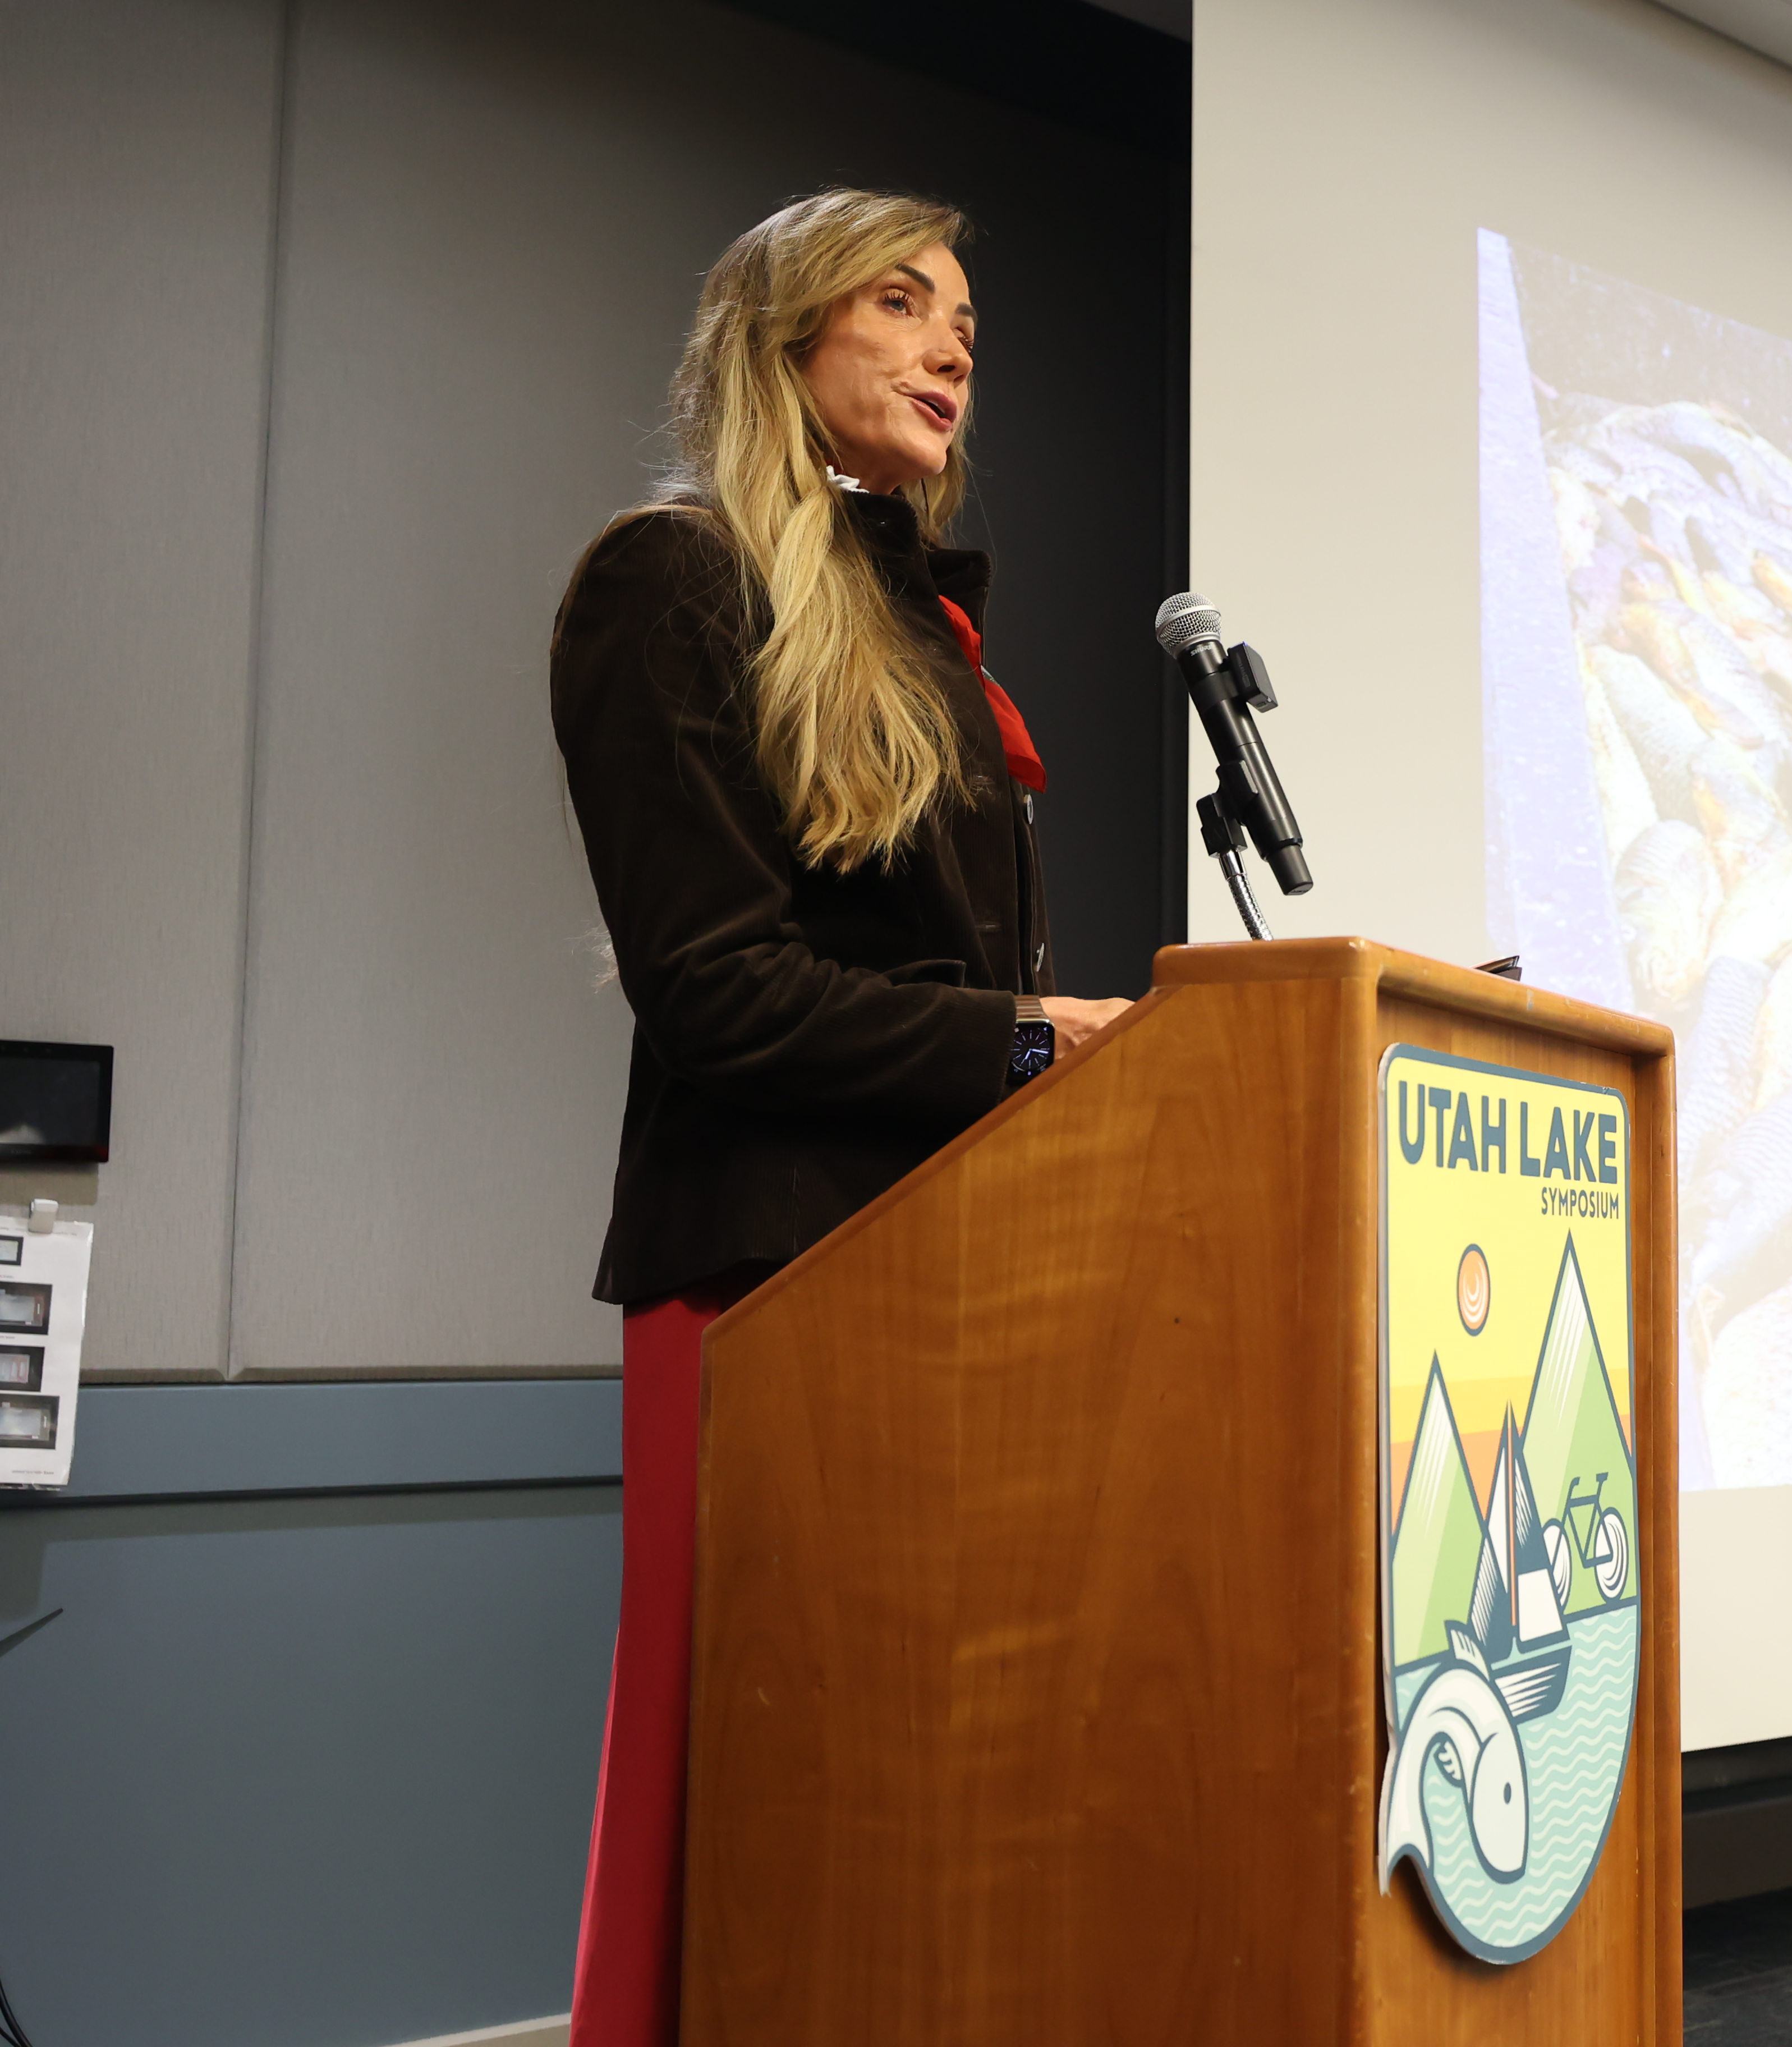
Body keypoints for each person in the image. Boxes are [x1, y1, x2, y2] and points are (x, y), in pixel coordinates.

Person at [548, 188, 1127, 2047]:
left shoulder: (922, 624)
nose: (954, 343)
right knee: (744, 1784)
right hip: (766, 1277)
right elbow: (716, 992)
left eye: (967, 319)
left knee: (914, 1801)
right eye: (900, 302)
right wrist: (1029, 1044)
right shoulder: (671, 583)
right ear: (782, 333)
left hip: (953, 1279)